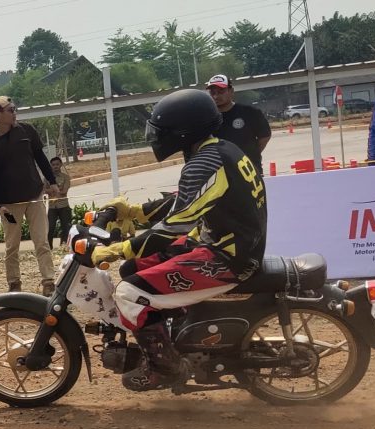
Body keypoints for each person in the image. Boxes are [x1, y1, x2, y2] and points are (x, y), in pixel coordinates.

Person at [91, 88, 267, 390]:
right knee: (133, 269)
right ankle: (177, 335)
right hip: (224, 242)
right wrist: (135, 212)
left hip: (227, 257)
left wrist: (120, 249)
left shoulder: (204, 164)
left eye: (162, 130)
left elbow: (174, 227)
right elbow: (186, 200)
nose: (156, 137)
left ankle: (165, 370)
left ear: (183, 131)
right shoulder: (221, 149)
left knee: (129, 293)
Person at [0, 96, 58, 293]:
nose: (15, 113)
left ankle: (48, 281)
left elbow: (40, 157)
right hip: (9, 205)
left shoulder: (27, 131)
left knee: (41, 241)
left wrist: (53, 181)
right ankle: (14, 283)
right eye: (10, 110)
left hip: (34, 196)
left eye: (15, 109)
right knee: (12, 245)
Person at [205, 74, 270, 167]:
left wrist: (252, 154)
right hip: (219, 170)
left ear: (231, 91)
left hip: (248, 169)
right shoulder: (206, 118)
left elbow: (265, 136)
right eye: (212, 93)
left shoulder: (250, 112)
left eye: (221, 91)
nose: (216, 96)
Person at [46, 157, 74, 249]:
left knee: (66, 228)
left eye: (57, 164)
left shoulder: (66, 177)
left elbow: (64, 191)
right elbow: (43, 190)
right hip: (52, 207)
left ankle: (63, 247)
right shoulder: (47, 178)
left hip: (63, 206)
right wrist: (57, 190)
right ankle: (49, 248)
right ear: (51, 166)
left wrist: (52, 190)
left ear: (61, 164)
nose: (55, 166)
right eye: (53, 165)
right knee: (50, 228)